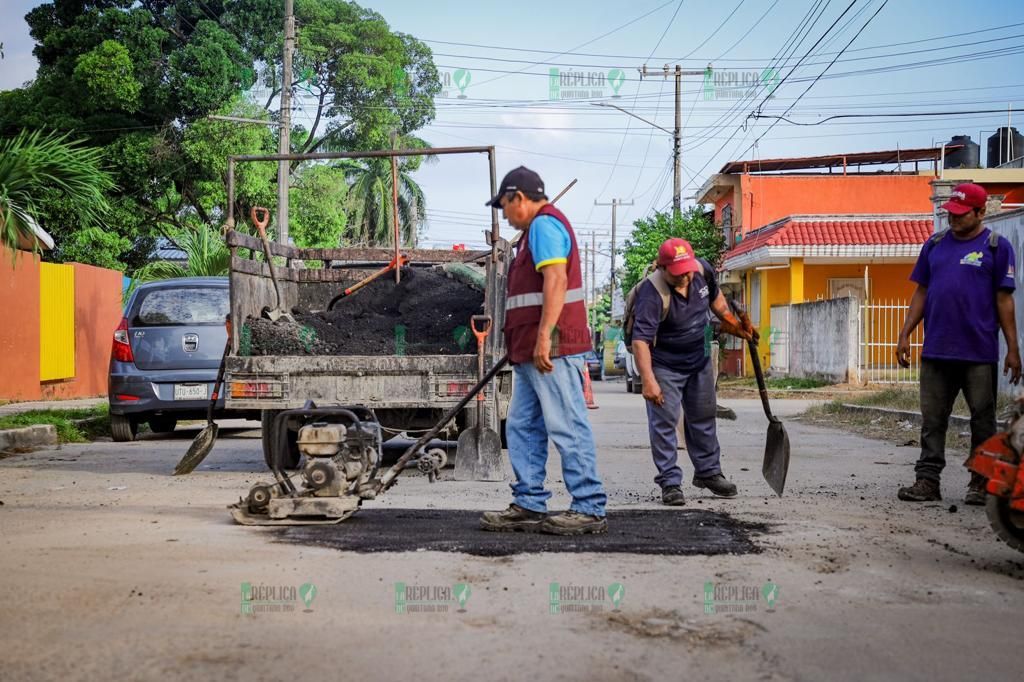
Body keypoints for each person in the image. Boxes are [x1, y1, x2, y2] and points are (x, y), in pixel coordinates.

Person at [479, 166, 608, 535]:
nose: (504, 214)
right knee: (523, 427)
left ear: (518, 197)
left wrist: (543, 337)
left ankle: (589, 507)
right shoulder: (532, 232)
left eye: (504, 205)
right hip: (530, 351)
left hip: (552, 349)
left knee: (567, 424)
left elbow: (555, 279)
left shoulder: (545, 226)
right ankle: (529, 502)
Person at [896, 182, 1021, 504]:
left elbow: (1004, 300)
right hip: (936, 349)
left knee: (983, 420)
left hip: (978, 352)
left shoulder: (996, 247)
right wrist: (905, 333)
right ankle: (927, 480)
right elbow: (921, 292)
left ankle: (980, 483)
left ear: (981, 212)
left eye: (961, 214)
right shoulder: (935, 245)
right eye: (950, 213)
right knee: (932, 419)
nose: (953, 219)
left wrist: (1013, 349)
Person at [631, 238, 757, 505]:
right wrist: (648, 381)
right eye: (678, 273)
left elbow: (718, 301)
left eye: (688, 270)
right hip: (665, 365)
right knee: (664, 424)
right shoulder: (652, 293)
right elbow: (640, 340)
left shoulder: (701, 271)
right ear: (662, 268)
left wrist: (735, 325)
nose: (685, 276)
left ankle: (708, 473)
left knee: (703, 417)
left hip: (698, 361)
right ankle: (670, 482)